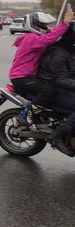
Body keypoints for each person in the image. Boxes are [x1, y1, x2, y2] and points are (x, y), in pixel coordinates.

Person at [10, 11, 73, 125]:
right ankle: (25, 112)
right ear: (33, 24)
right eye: (43, 25)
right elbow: (49, 39)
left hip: (29, 76)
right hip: (21, 77)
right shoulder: (31, 38)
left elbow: (51, 39)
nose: (45, 28)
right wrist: (65, 23)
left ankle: (42, 116)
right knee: (47, 90)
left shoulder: (35, 38)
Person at [37, 27, 75, 156]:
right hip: (55, 90)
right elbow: (59, 79)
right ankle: (58, 136)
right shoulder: (58, 53)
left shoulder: (70, 51)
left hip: (67, 88)